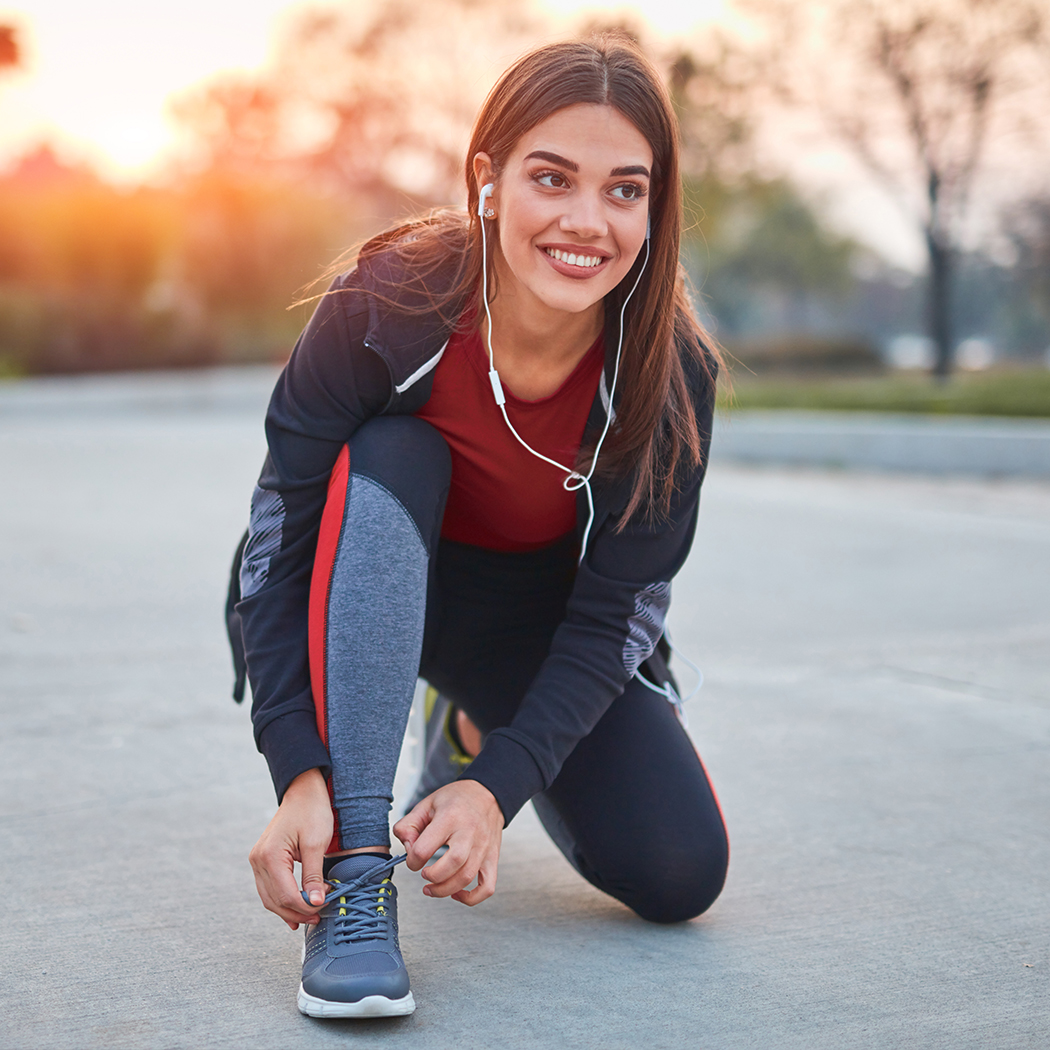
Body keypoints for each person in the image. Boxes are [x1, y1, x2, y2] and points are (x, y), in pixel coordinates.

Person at [227, 34, 729, 1020]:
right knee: (397, 450)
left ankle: (462, 728)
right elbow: (277, 543)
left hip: (522, 621)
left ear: (655, 208)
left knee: (679, 870)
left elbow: (619, 612)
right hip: (361, 580)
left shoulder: (670, 375)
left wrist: (497, 784)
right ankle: (357, 876)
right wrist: (297, 769)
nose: (587, 221)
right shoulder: (388, 305)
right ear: (489, 180)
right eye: (553, 178)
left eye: (625, 190)